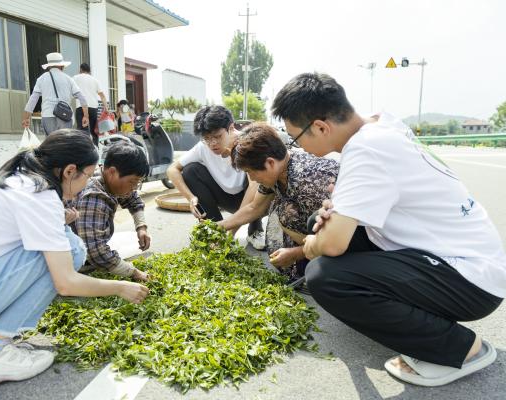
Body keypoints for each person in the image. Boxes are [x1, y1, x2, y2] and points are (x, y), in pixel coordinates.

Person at [272, 72, 506, 387]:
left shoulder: (366, 150)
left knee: (325, 276)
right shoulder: (380, 127)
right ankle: (418, 321)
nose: (296, 147)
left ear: (320, 127)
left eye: (295, 139)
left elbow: (333, 246)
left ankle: (462, 350)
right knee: (320, 218)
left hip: (471, 279)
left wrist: (312, 244)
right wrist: (334, 212)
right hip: (464, 257)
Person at [0, 130, 149, 389]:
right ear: (69, 171)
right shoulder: (40, 195)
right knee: (72, 249)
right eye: (87, 175)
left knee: (58, 243)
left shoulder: (19, 177)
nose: (87, 183)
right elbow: (65, 283)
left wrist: (58, 219)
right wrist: (122, 287)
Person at [219, 122, 338, 282]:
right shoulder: (278, 170)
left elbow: (338, 237)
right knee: (281, 210)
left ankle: (318, 264)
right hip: (320, 230)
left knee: (286, 213)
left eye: (250, 172)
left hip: (349, 238)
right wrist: (216, 227)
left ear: (270, 163)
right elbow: (255, 207)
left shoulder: (306, 181)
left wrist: (297, 253)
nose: (252, 178)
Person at [167, 105, 265, 250]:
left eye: (218, 137)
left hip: (251, 198)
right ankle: (214, 230)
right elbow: (172, 170)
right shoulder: (202, 147)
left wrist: (231, 233)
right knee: (190, 170)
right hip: (225, 198)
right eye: (207, 138)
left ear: (231, 128)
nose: (213, 144)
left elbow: (253, 188)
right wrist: (191, 198)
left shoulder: (248, 143)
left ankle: (255, 229)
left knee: (257, 180)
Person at [69, 141, 151, 281]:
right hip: (69, 255)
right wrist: (134, 273)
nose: (134, 187)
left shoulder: (108, 180)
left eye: (138, 183)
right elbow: (96, 252)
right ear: (112, 172)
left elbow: (133, 200)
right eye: (132, 182)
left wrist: (141, 227)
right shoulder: (93, 197)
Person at [22, 52, 89, 135]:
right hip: (65, 116)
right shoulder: (68, 79)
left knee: (51, 143)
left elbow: (33, 99)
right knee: (64, 143)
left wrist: (26, 117)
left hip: (48, 115)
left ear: (49, 66)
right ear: (62, 66)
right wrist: (85, 116)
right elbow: (81, 97)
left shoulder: (42, 78)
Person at [73, 62, 108, 146]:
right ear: (89, 70)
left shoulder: (75, 78)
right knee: (94, 131)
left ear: (80, 69)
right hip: (93, 108)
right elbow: (102, 95)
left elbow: (71, 92)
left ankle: (84, 150)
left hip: (81, 107)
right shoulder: (95, 80)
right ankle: (95, 148)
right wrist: (106, 107)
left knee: (82, 131)